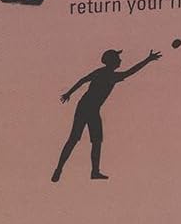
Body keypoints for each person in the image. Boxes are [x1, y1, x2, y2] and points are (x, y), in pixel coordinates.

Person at [52, 48, 159, 181]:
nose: (120, 60)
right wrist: (148, 60)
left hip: (87, 108)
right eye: (118, 58)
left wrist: (69, 93)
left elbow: (83, 80)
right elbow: (131, 72)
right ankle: (73, 170)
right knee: (82, 140)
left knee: (87, 140)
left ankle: (82, 171)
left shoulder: (101, 72)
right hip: (87, 108)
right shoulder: (111, 76)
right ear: (112, 61)